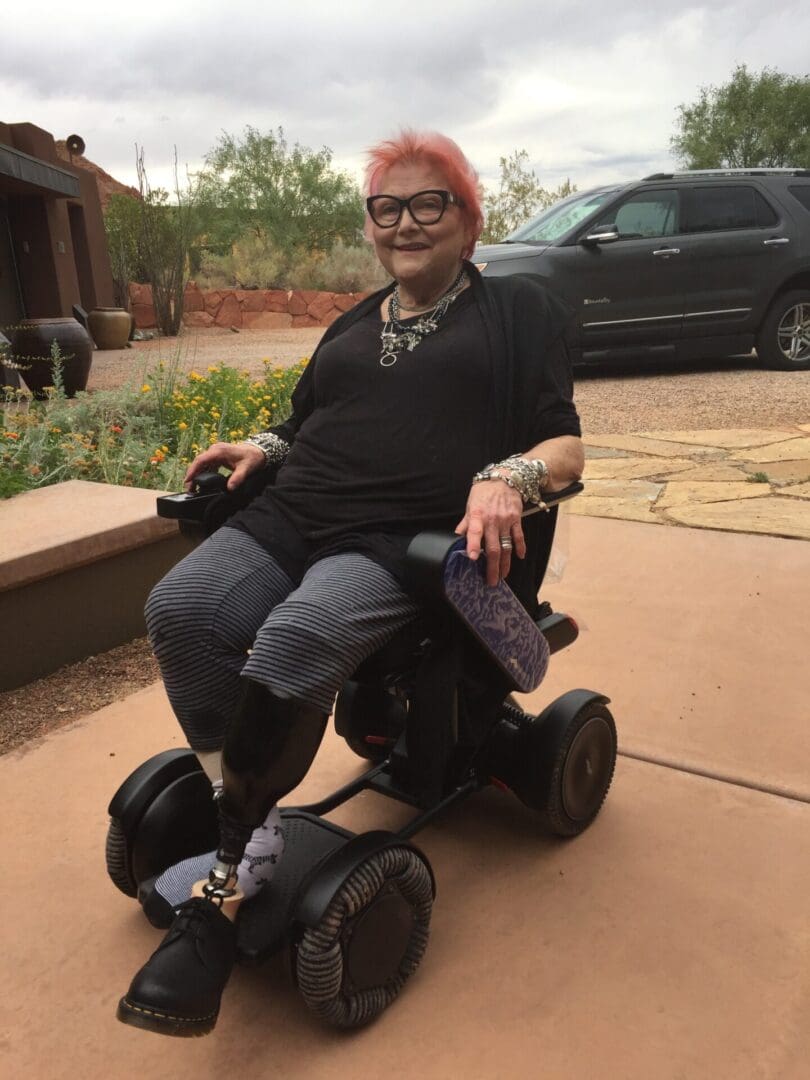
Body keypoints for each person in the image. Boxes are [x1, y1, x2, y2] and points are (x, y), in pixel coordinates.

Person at [117, 130, 584, 1037]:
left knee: (295, 637)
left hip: (400, 540)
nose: (405, 222)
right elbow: (307, 423)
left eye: (428, 204)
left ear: (468, 221)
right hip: (294, 513)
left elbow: (564, 446)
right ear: (371, 226)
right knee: (180, 608)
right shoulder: (349, 322)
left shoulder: (519, 312)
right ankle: (250, 828)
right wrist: (263, 446)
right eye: (387, 207)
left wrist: (506, 479)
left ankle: (227, 872)